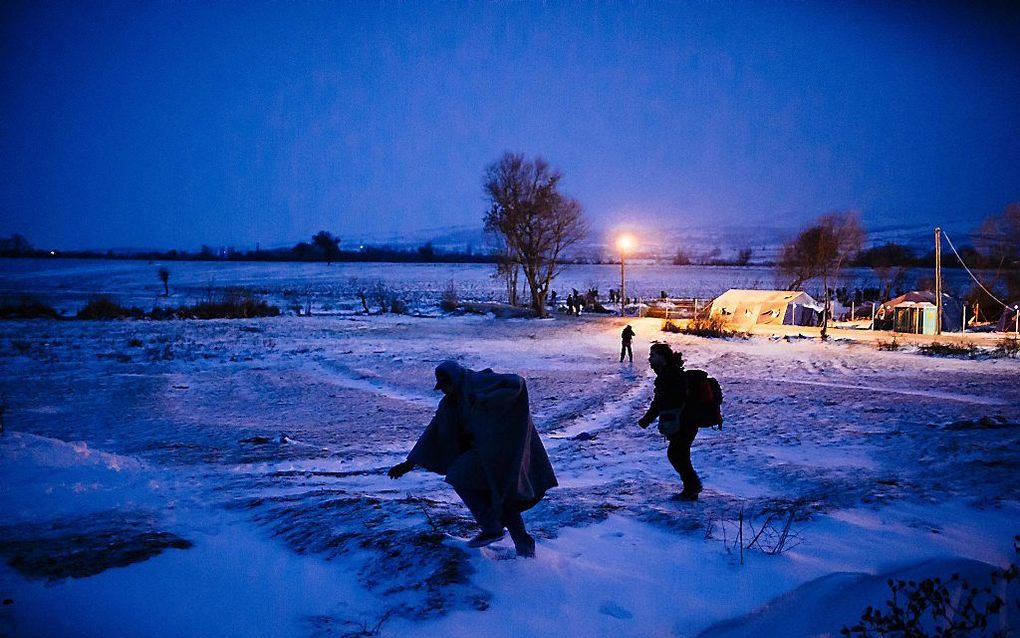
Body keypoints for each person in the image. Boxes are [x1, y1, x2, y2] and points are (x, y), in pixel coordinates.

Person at [388, 361, 557, 557]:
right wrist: (409, 464)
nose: (444, 391)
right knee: (499, 499)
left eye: (445, 386)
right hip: (482, 455)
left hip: (503, 451)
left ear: (454, 379)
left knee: (474, 483)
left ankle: (502, 535)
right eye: (441, 388)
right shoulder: (450, 404)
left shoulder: (479, 382)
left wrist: (484, 399)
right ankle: (518, 544)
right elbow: (432, 433)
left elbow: (516, 384)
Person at [637, 343, 702, 500]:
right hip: (683, 420)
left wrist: (647, 419)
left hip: (684, 421)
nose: (650, 359)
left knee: (676, 454)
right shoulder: (668, 373)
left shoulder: (670, 375)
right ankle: (691, 489)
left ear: (662, 357)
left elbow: (662, 401)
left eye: (652, 356)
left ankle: (692, 487)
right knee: (679, 454)